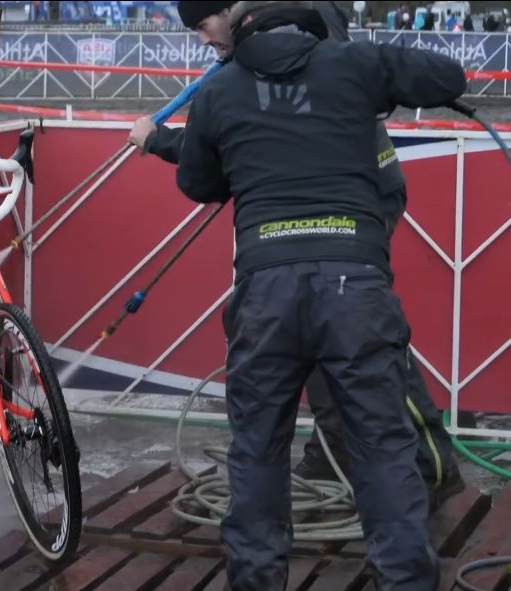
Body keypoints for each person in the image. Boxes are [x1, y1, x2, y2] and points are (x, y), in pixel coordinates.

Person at [154, 1, 467, 588]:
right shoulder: (353, 63)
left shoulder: (219, 91)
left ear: (240, 31)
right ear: (313, 26)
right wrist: (376, 71)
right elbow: (448, 77)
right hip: (355, 287)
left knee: (257, 451)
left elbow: (197, 182)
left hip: (265, 291)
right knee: (383, 448)